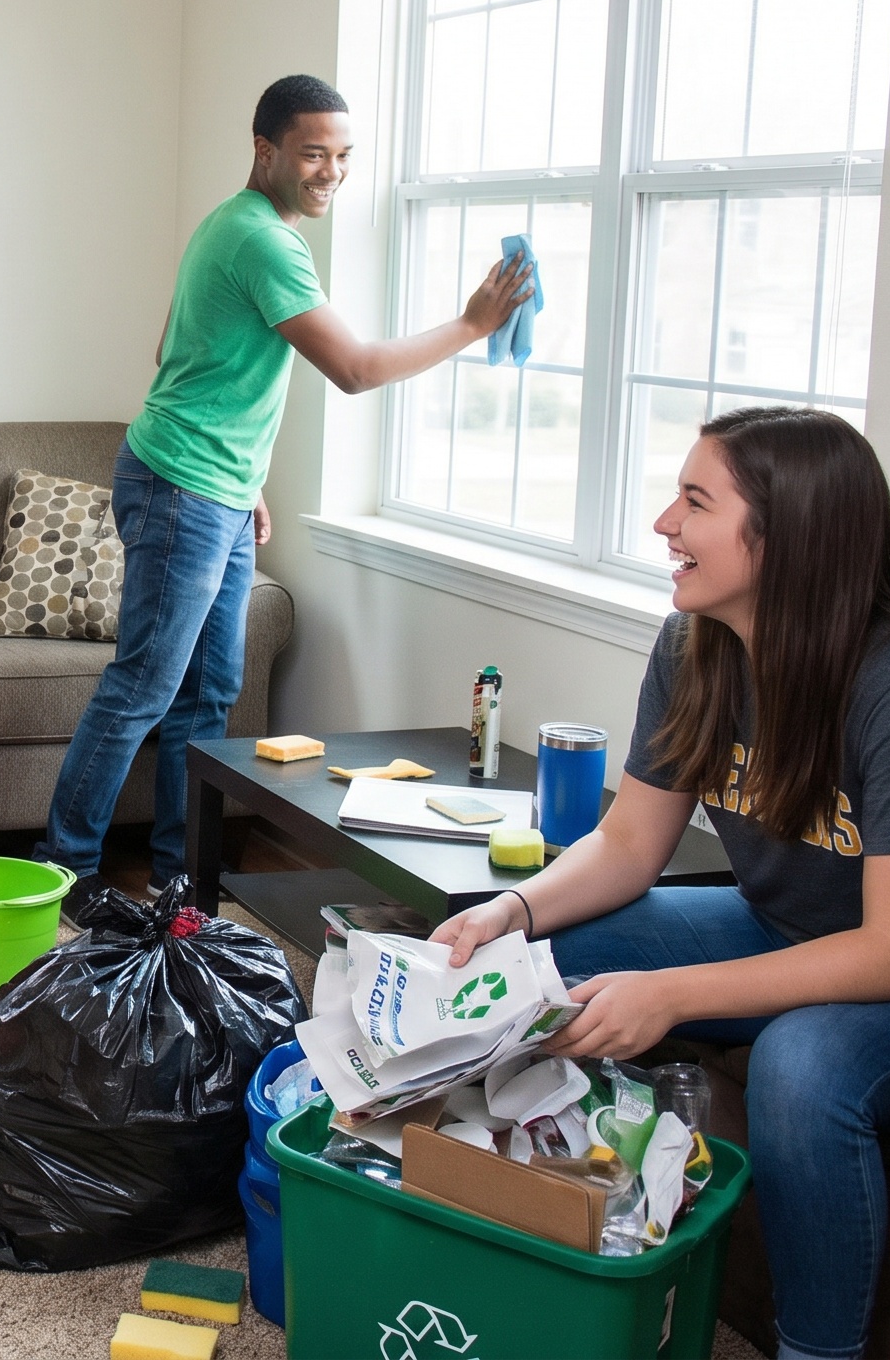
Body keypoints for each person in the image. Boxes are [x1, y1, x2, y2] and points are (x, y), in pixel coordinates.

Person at [431, 408, 890, 1360]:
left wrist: (675, 993)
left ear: (790, 536)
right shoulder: (696, 646)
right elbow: (628, 844)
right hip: (792, 927)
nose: (663, 525)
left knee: (804, 1066)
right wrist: (508, 910)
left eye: (695, 502)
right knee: (552, 956)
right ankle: (549, 1227)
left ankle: (816, 1351)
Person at [41, 74, 530, 905]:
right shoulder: (263, 240)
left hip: (214, 489)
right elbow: (355, 369)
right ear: (265, 150)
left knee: (209, 692)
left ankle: (177, 877)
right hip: (181, 488)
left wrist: (248, 477)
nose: (331, 172)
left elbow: (176, 350)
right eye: (313, 153)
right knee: (145, 687)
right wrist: (474, 325)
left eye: (343, 156)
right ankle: (65, 873)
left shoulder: (234, 225)